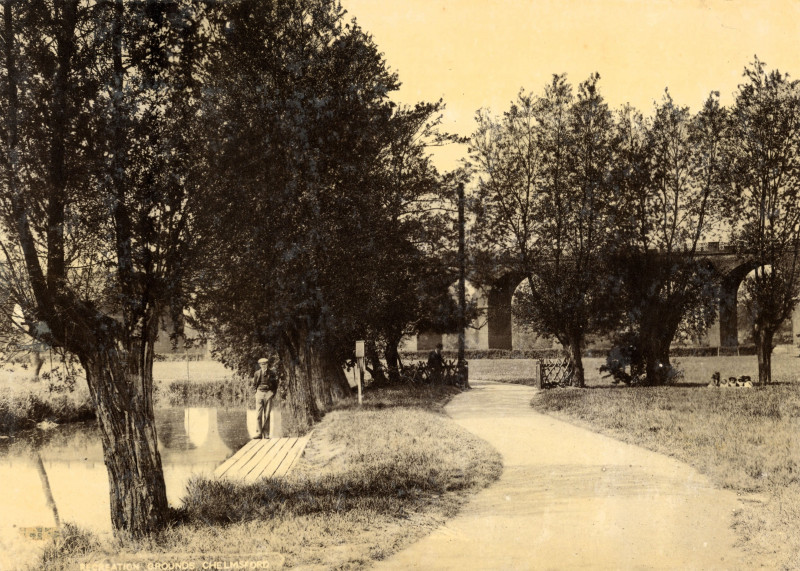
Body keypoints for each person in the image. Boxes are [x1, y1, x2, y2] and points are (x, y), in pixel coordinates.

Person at [253, 355, 279, 439]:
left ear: (267, 364)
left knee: (267, 414)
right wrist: (256, 393)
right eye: (262, 364)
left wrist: (272, 393)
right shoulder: (257, 373)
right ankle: (259, 433)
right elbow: (254, 385)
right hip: (259, 393)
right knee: (258, 414)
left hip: (268, 393)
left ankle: (266, 433)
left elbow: (275, 385)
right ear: (259, 365)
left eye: (265, 364)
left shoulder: (272, 373)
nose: (263, 365)